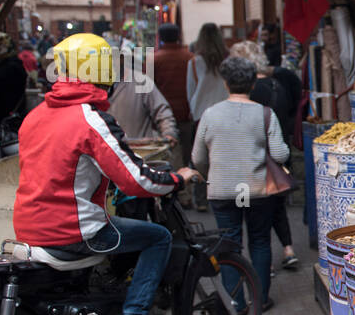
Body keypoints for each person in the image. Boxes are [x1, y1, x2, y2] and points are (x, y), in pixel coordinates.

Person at [13, 33, 198, 315]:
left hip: (28, 228)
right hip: (73, 229)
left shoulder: (35, 116)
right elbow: (136, 181)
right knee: (158, 237)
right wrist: (178, 179)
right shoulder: (90, 119)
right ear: (102, 69)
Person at [192, 55, 290, 309]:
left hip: (223, 190)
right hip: (257, 189)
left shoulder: (209, 114)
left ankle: (234, 302)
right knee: (259, 241)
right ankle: (260, 299)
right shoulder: (265, 114)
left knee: (229, 245)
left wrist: (209, 172)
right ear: (253, 84)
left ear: (225, 83)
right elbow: (280, 155)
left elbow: (197, 157)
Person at [229, 41, 300, 270]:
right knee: (277, 205)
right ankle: (288, 249)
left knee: (256, 218)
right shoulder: (279, 84)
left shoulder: (249, 93)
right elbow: (290, 112)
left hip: (256, 158)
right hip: (279, 153)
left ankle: (261, 266)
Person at [185, 23, 229, 212]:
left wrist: (193, 110)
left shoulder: (194, 63)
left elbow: (191, 91)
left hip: (202, 115)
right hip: (227, 113)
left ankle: (201, 199)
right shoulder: (229, 60)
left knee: (200, 158)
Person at [107, 44, 179, 144]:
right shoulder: (94, 86)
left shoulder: (140, 81)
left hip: (139, 152)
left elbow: (162, 111)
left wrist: (169, 132)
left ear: (121, 59)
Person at [0, 32, 28, 123]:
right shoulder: (4, 65)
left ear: (3, 48)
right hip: (6, 116)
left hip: (7, 118)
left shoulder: (10, 67)